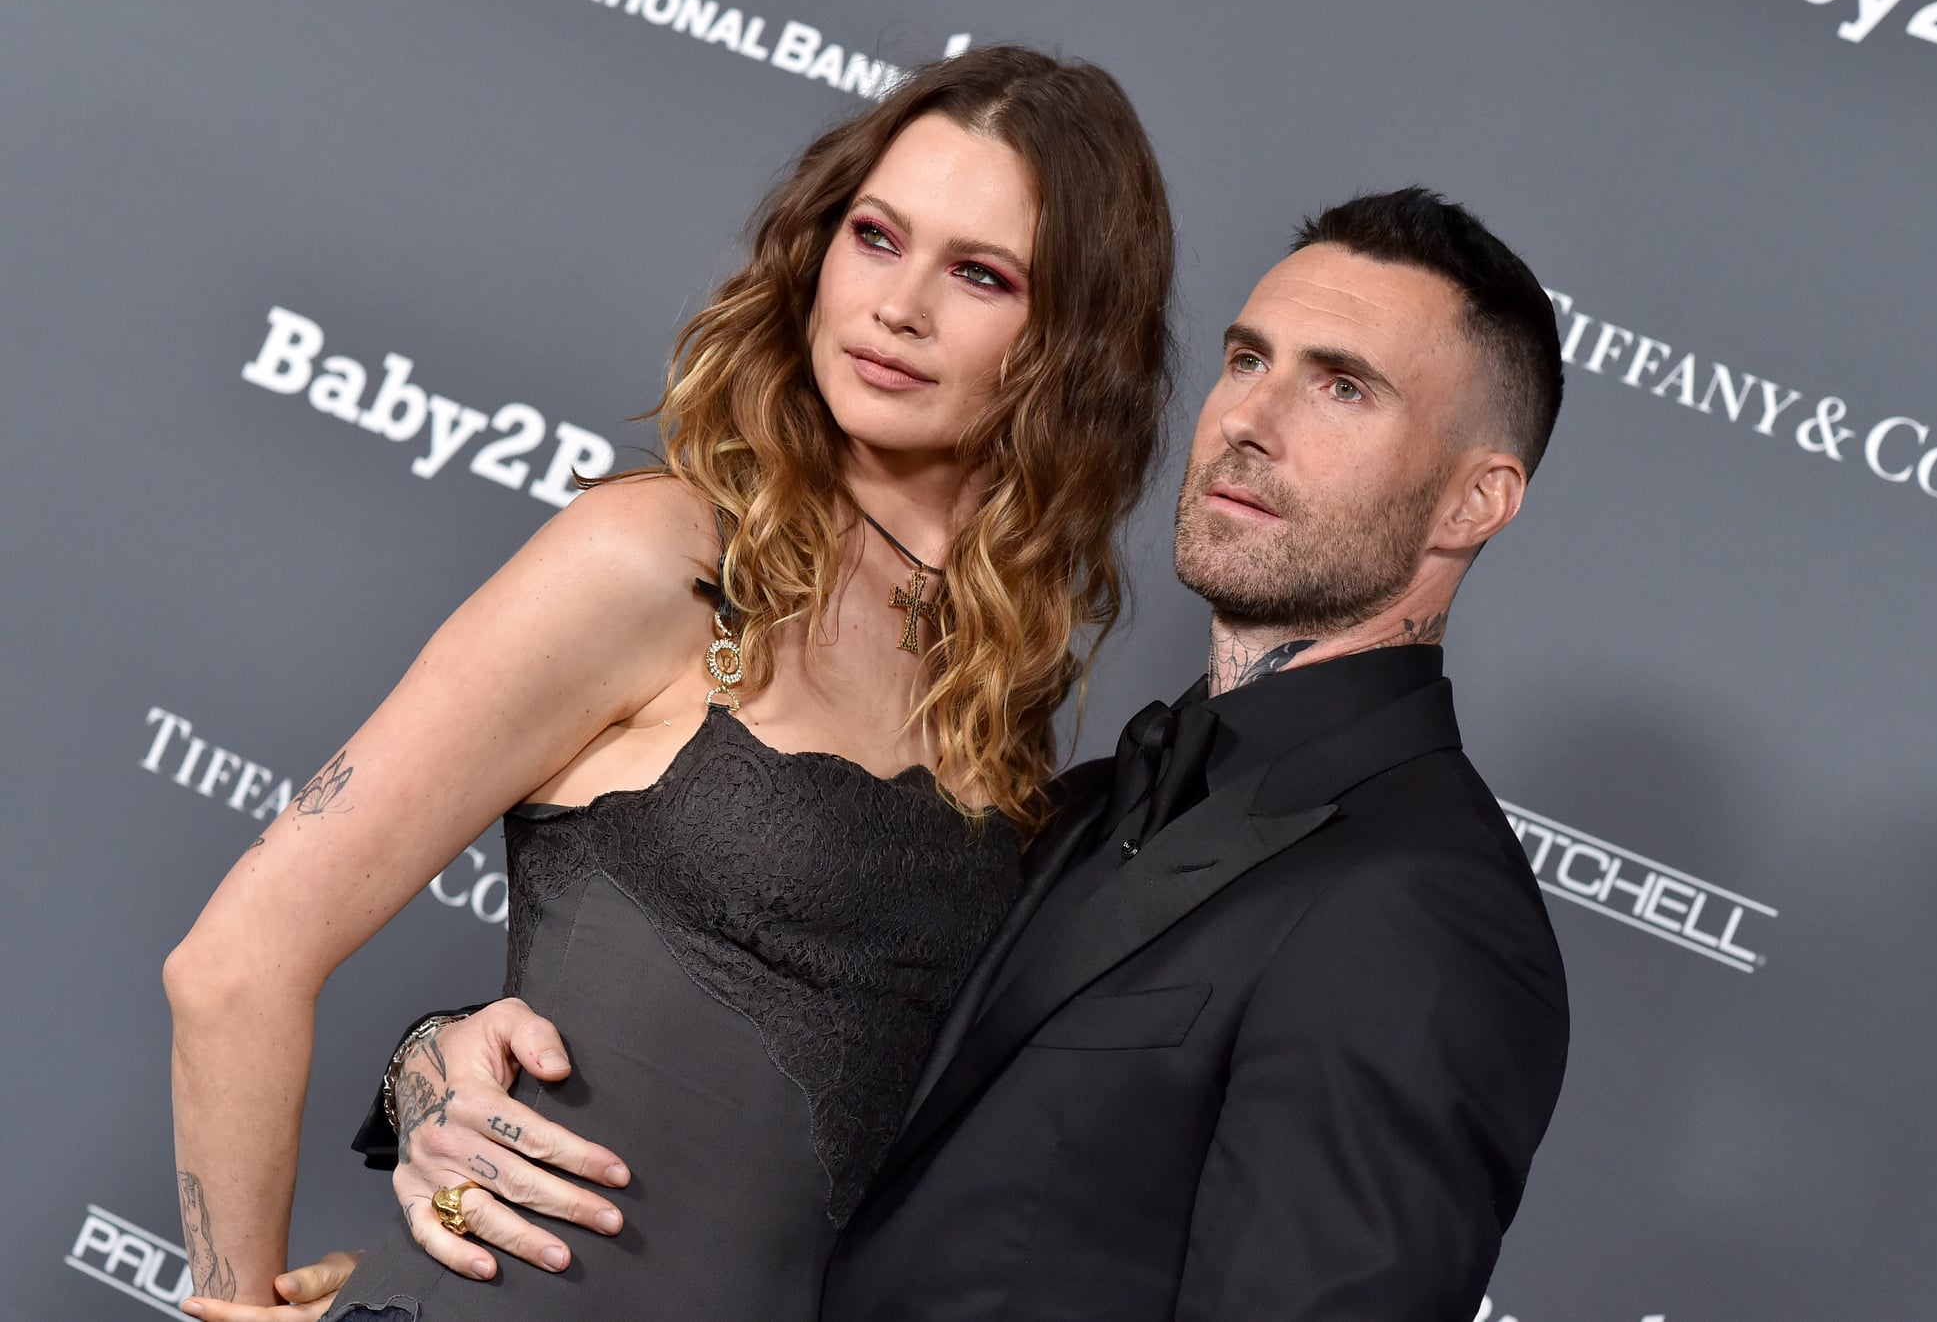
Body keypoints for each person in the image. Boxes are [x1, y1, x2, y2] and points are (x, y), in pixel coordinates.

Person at [232, 186, 1571, 1322]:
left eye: (1343, 385)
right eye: (1248, 356)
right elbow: (792, 1045)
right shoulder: (1102, 803)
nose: (1253, 419)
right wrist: (435, 1069)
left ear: (1476, 497)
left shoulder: (1423, 910)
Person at [163, 44, 1175, 1322]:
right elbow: (235, 963)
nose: (897, 304)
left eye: (978, 274)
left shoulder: (993, 681)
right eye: (875, 237)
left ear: (1071, 343)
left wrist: (426, 1060)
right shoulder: (657, 558)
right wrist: (231, 1304)